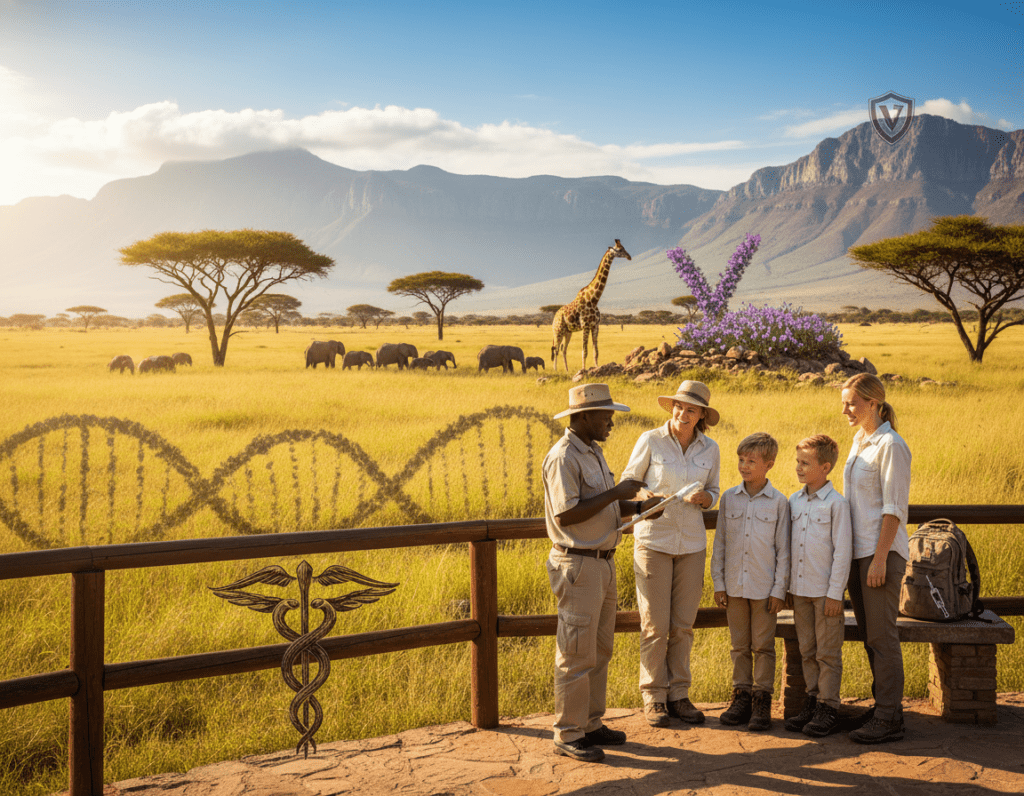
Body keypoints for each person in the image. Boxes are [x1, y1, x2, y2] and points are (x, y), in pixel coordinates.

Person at [542, 383, 664, 762]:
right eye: (604, 415)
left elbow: (599, 509)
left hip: (602, 561)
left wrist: (639, 507)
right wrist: (617, 494)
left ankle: (591, 723)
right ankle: (568, 731)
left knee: (599, 649)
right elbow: (566, 514)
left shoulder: (592, 451)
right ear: (581, 417)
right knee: (576, 652)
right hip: (579, 563)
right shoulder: (563, 456)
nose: (611, 422)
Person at [620, 380, 721, 728]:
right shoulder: (650, 440)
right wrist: (647, 498)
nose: (682, 413)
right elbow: (630, 482)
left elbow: (714, 491)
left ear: (702, 416)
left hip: (692, 543)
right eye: (678, 406)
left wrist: (706, 499)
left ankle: (679, 694)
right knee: (654, 625)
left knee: (682, 625)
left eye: (690, 409)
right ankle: (654, 696)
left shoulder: (711, 449)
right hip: (653, 541)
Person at [841, 373, 912, 744]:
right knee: (871, 635)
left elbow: (893, 508)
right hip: (857, 554)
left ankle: (888, 719)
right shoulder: (859, 441)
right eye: (844, 403)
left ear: (873, 403)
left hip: (878, 554)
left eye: (851, 403)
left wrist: (881, 558)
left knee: (883, 637)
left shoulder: (891, 445)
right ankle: (887, 708)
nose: (845, 410)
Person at [711, 432, 790, 731]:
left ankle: (762, 700)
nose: (744, 466)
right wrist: (719, 582)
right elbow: (720, 543)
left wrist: (778, 589)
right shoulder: (729, 498)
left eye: (751, 461)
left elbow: (784, 550)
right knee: (739, 645)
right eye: (741, 460)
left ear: (768, 465)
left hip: (764, 588)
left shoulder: (779, 502)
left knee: (763, 646)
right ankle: (741, 696)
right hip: (733, 586)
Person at [784, 435, 852, 737]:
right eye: (798, 462)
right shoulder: (794, 501)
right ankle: (811, 700)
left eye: (805, 463)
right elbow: (787, 545)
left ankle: (828, 706)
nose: (798, 468)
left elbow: (842, 551)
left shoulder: (837, 504)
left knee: (827, 653)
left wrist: (836, 594)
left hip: (826, 594)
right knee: (808, 650)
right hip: (800, 591)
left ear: (825, 467)